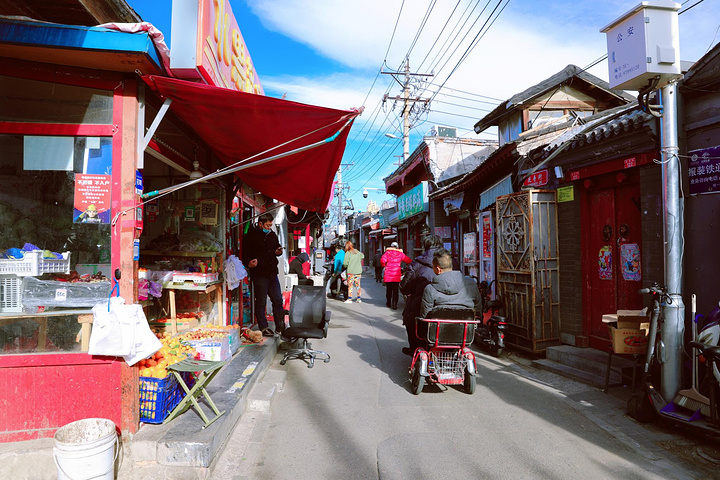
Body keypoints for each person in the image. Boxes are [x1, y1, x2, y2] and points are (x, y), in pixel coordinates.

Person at [242, 213, 285, 337]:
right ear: (260, 224)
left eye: (271, 225)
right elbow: (245, 254)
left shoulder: (272, 235)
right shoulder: (251, 236)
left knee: (277, 300)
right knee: (261, 301)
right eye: (267, 225)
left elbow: (276, 248)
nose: (269, 227)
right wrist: (248, 263)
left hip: (272, 273)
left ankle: (279, 325)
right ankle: (263, 326)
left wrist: (278, 251)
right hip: (259, 273)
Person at [399, 234, 442, 355]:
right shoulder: (451, 261)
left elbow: (404, 287)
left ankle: (415, 348)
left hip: (420, 307)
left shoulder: (417, 263)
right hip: (447, 306)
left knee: (410, 317)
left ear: (425, 246)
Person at [420, 248, 482, 318]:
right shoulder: (471, 283)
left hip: (439, 328)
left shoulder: (430, 289)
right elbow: (478, 310)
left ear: (438, 269)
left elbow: (425, 316)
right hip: (466, 327)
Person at [381, 241, 411, 310]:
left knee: (388, 289)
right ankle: (394, 305)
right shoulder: (400, 254)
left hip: (388, 274)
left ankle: (388, 302)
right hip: (396, 275)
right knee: (395, 290)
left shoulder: (387, 253)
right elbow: (408, 260)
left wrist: (384, 265)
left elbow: (382, 260)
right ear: (397, 247)